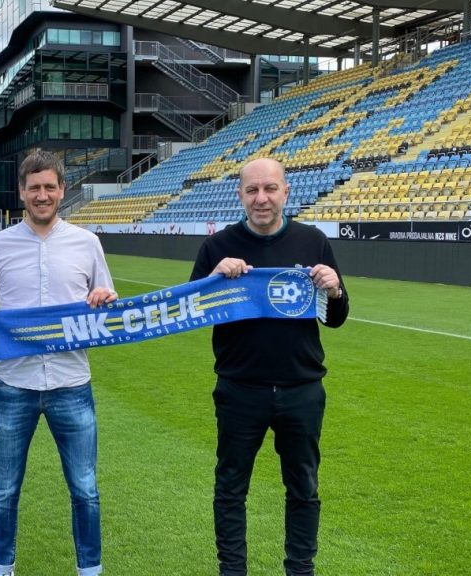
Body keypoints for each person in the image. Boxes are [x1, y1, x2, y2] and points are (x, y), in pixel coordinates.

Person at [190, 157, 349, 576]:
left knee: (303, 489)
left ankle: (301, 570)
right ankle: (232, 571)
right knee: (230, 489)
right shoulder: (217, 247)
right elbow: (194, 312)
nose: (262, 198)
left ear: (286, 192)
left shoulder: (313, 241)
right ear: (239, 194)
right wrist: (213, 281)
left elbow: (335, 318)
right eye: (252, 190)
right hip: (240, 389)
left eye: (270, 189)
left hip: (302, 390)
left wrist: (334, 291)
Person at [0, 150, 116, 576]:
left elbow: (105, 305)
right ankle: (1, 568)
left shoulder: (88, 244)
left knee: (85, 488)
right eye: (35, 188)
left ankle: (90, 569)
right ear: (22, 192)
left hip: (72, 383)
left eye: (50, 187)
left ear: (62, 190)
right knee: (4, 490)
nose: (43, 195)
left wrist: (105, 302)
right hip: (14, 385)